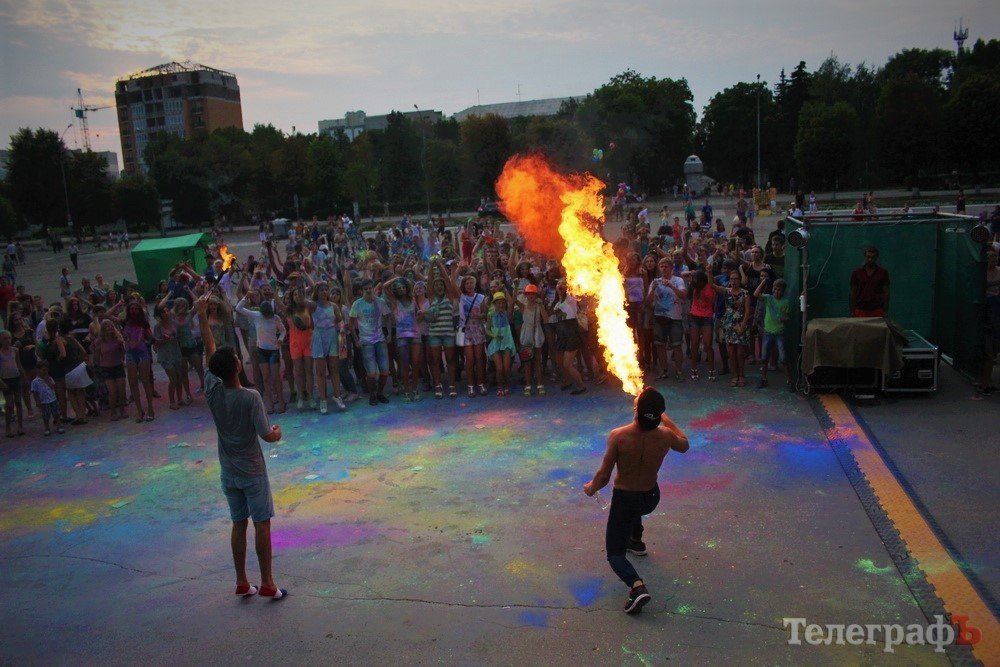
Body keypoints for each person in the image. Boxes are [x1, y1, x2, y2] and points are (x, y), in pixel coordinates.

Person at [196, 293, 286, 601]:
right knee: (262, 525)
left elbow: (209, 352)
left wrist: (201, 317)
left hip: (229, 471)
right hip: (252, 470)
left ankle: (241, 581)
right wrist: (277, 432)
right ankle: (268, 582)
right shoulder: (250, 397)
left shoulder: (213, 391)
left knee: (238, 523)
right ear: (236, 367)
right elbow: (266, 435)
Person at [583, 387, 689, 614]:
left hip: (626, 499)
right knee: (635, 509)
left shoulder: (619, 436)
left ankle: (636, 587)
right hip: (650, 497)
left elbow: (603, 477)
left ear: (637, 411)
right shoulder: (665, 435)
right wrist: (666, 421)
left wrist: (591, 488)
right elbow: (684, 444)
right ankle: (636, 540)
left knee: (614, 554)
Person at [755, 278, 793, 390]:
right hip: (768, 332)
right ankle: (763, 379)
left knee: (783, 358)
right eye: (775, 289)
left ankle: (790, 380)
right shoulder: (768, 298)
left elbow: (787, 316)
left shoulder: (785, 302)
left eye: (779, 290)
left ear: (783, 291)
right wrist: (763, 282)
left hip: (779, 333)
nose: (776, 292)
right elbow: (756, 294)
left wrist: (784, 318)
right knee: (764, 357)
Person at [849, 247, 890, 317]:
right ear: (865, 257)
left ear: (876, 258)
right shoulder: (857, 273)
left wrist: (885, 311)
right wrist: (852, 311)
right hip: (860, 309)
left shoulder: (883, 272)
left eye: (872, 257)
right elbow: (853, 293)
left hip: (877, 309)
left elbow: (886, 293)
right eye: (868, 257)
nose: (870, 259)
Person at [31, 362, 63, 435]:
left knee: (56, 413)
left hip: (53, 399)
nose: (45, 372)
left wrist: (47, 380)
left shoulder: (50, 378)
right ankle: (47, 428)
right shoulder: (35, 382)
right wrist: (37, 402)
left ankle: (59, 426)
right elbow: (35, 393)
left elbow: (53, 387)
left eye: (46, 370)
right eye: (43, 370)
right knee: (46, 415)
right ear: (38, 370)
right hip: (44, 401)